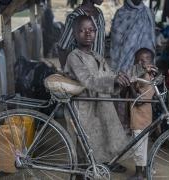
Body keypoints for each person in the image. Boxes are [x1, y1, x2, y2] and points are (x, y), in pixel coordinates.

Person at [64, 15, 129, 172]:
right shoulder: (74, 57)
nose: (88, 33)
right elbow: (88, 81)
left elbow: (110, 74)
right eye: (82, 30)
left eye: (91, 30)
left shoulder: (97, 55)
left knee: (106, 133)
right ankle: (87, 167)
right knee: (88, 140)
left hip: (101, 102)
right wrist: (113, 81)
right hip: (84, 105)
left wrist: (135, 71)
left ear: (96, 33)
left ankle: (106, 161)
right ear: (74, 34)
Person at [128, 48, 155, 180]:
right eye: (137, 61)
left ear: (151, 63)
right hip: (142, 118)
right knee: (142, 146)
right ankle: (143, 171)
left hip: (140, 119)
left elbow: (138, 101)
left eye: (144, 61)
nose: (140, 63)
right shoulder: (141, 76)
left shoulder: (146, 79)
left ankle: (139, 173)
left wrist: (131, 85)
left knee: (139, 147)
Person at [110, 0, 156, 72]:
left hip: (146, 62)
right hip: (125, 63)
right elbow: (116, 45)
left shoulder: (148, 13)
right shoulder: (120, 14)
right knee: (127, 80)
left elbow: (151, 40)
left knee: (145, 80)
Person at [58, 0, 105, 68]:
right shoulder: (75, 16)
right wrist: (66, 71)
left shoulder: (99, 13)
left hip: (97, 72)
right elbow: (62, 48)